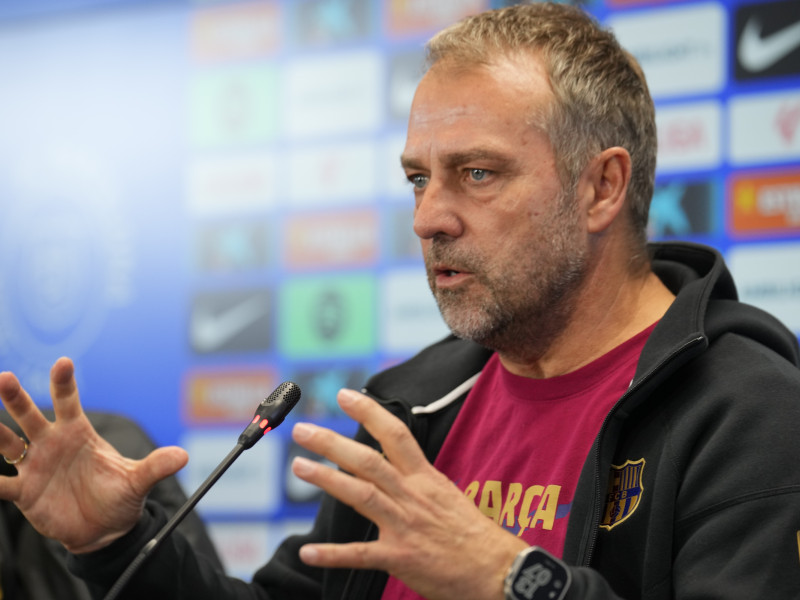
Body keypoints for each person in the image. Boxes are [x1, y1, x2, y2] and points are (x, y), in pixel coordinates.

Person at [1, 2, 799, 599]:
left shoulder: (749, 411)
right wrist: (113, 542)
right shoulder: (413, 403)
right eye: (420, 178)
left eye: (477, 173)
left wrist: (510, 578)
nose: (429, 217)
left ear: (602, 187)